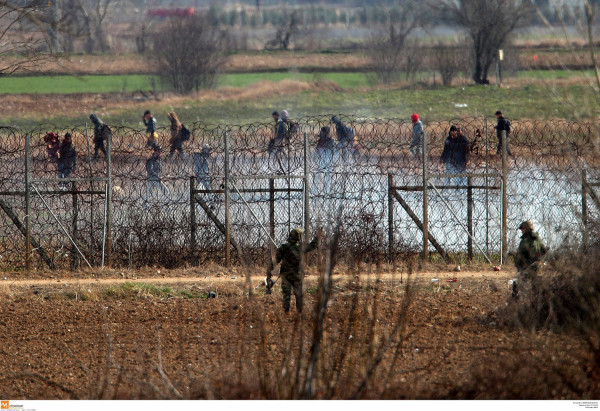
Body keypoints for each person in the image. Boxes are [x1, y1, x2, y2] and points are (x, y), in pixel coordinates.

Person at [272, 228, 318, 313]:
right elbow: (313, 245)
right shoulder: (301, 247)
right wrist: (317, 237)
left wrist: (269, 270)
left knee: (286, 295)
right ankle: (299, 312)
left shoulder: (284, 247)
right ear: (298, 237)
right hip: (297, 275)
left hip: (286, 275)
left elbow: (276, 260)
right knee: (299, 295)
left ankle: (286, 312)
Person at [511, 220, 547, 299]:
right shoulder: (538, 239)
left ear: (526, 229)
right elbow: (544, 250)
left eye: (522, 229)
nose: (522, 231)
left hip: (527, 267)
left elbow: (520, 256)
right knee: (536, 286)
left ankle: (514, 302)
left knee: (517, 283)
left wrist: (518, 265)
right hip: (537, 267)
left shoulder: (525, 240)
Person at [313, 126, 334, 193]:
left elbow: (332, 151)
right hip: (320, 160)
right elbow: (317, 149)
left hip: (327, 161)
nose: (321, 133)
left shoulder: (330, 141)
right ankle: (315, 190)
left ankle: (327, 191)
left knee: (327, 176)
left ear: (325, 132)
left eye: (323, 132)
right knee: (318, 175)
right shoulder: (320, 140)